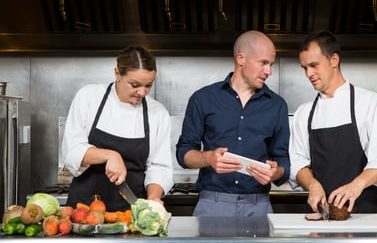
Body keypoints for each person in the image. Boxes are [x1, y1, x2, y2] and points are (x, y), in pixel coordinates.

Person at [176, 30, 290, 217]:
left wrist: (275, 173)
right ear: (241, 59)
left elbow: (283, 159)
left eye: (271, 65)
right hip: (212, 205)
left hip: (258, 206)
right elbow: (183, 153)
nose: (269, 71)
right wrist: (208, 159)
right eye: (263, 63)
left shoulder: (277, 106)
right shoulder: (203, 98)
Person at [289, 30, 377, 214]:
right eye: (304, 68)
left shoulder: (368, 102)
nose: (309, 73)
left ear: (334, 60)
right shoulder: (304, 113)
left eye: (314, 65)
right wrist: (312, 185)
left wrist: (356, 186)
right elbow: (297, 162)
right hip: (320, 213)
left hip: (363, 212)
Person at [62, 45, 173, 211]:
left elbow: (159, 166)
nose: (142, 92)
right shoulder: (89, 97)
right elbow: (72, 151)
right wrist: (109, 155)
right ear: (117, 74)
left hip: (131, 211)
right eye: (134, 85)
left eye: (148, 85)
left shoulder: (158, 113)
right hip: (84, 211)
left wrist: (153, 198)